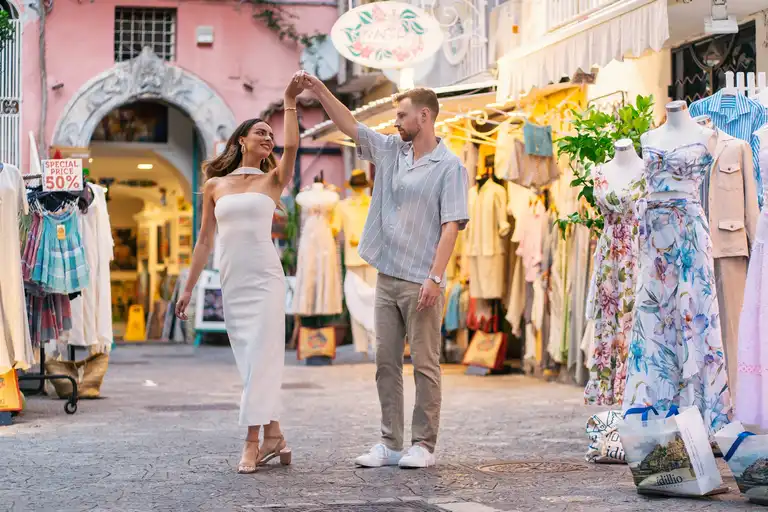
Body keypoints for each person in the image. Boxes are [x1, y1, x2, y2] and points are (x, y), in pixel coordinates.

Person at [300, 72, 469, 469]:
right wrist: (320, 90)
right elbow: (350, 125)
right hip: (387, 275)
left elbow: (451, 226)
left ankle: (423, 445)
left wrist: (435, 277)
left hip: (422, 279)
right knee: (385, 363)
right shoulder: (392, 150)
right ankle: (391, 443)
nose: (395, 122)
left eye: (401, 115)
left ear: (424, 116)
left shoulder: (450, 167)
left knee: (425, 365)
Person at [175, 72, 305, 474]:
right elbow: (204, 242)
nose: (268, 137)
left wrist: (289, 101)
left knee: (262, 356)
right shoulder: (215, 185)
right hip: (233, 281)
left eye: (271, 134)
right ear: (241, 141)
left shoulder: (273, 179)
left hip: (266, 279)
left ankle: (251, 442)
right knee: (251, 361)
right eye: (261, 132)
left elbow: (293, 145)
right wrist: (188, 288)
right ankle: (275, 435)